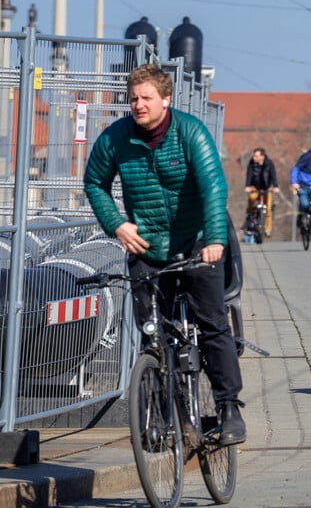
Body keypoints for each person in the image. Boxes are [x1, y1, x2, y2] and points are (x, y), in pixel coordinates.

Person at [83, 63, 246, 445]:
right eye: (133, 98)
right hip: (148, 247)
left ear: (165, 99)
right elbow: (94, 183)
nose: (138, 105)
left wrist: (215, 241)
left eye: (146, 98)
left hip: (197, 243)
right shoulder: (116, 138)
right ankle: (162, 414)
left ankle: (229, 408)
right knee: (153, 333)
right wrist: (117, 224)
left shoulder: (190, 132)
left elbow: (213, 188)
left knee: (212, 325)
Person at [244, 147, 280, 237]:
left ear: (262, 156)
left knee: (268, 208)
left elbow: (273, 175)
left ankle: (268, 229)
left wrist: (275, 187)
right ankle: (250, 216)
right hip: (255, 187)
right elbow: (249, 175)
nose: (254, 158)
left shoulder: (269, 164)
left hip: (267, 188)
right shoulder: (252, 164)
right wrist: (247, 186)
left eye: (256, 156)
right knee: (252, 199)